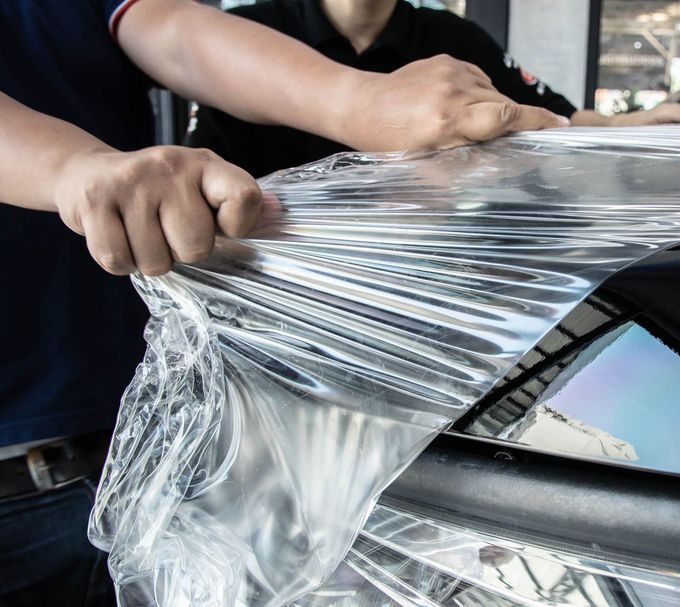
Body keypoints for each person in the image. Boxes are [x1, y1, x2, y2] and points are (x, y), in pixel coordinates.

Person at [0, 1, 567, 605]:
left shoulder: (447, 38)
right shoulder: (271, 18)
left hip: (154, 446)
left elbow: (173, 34)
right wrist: (77, 168)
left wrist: (361, 104)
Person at [186, 0, 680, 177]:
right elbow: (207, 164)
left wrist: (627, 125)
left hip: (417, 282)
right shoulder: (250, 36)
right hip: (275, 288)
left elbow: (547, 116)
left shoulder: (451, 39)